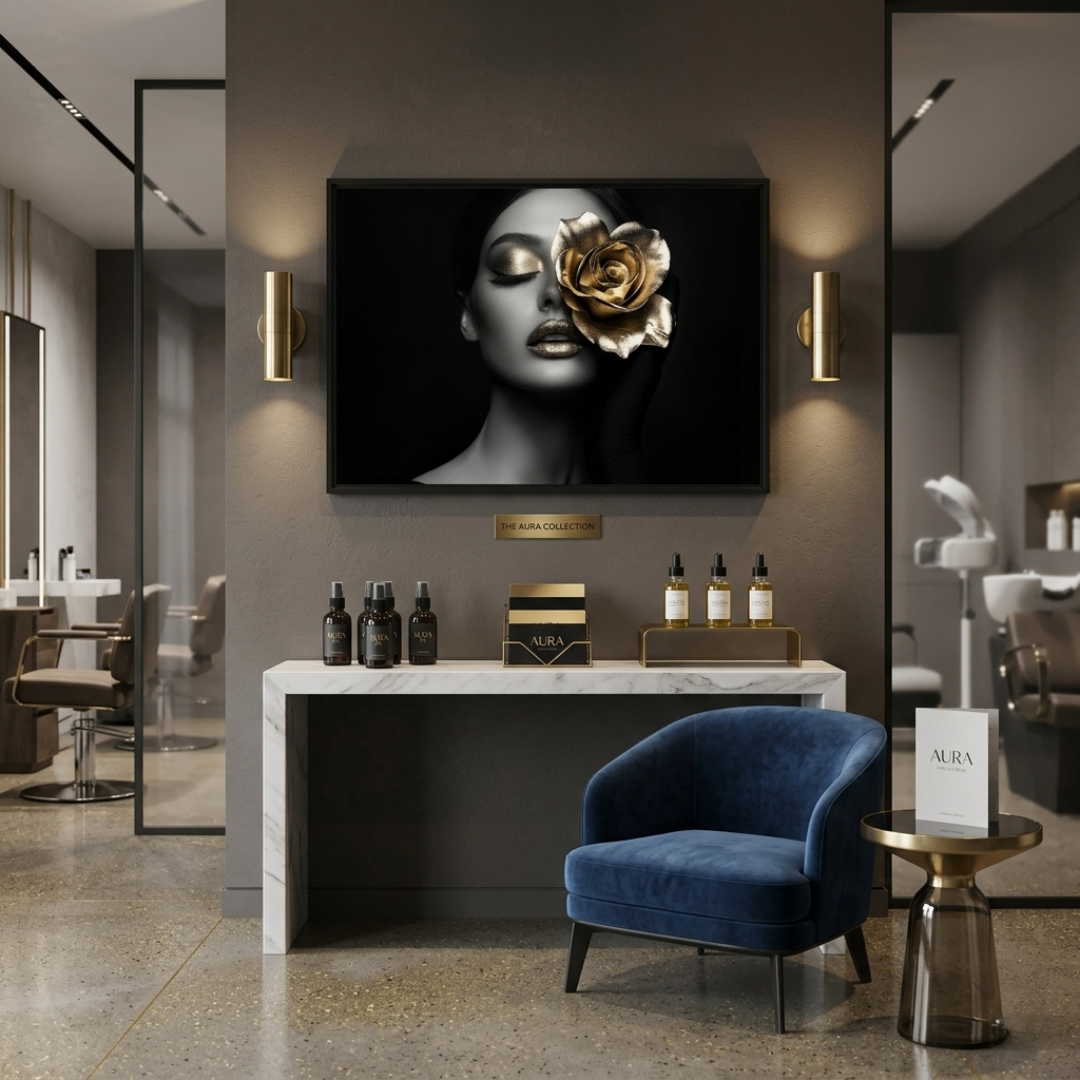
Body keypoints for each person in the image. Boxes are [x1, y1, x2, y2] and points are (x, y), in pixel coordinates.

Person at [415, 187, 673, 484]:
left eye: (588, 267)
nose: (558, 294)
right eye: (515, 266)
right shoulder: (401, 520)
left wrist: (621, 453)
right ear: (469, 314)